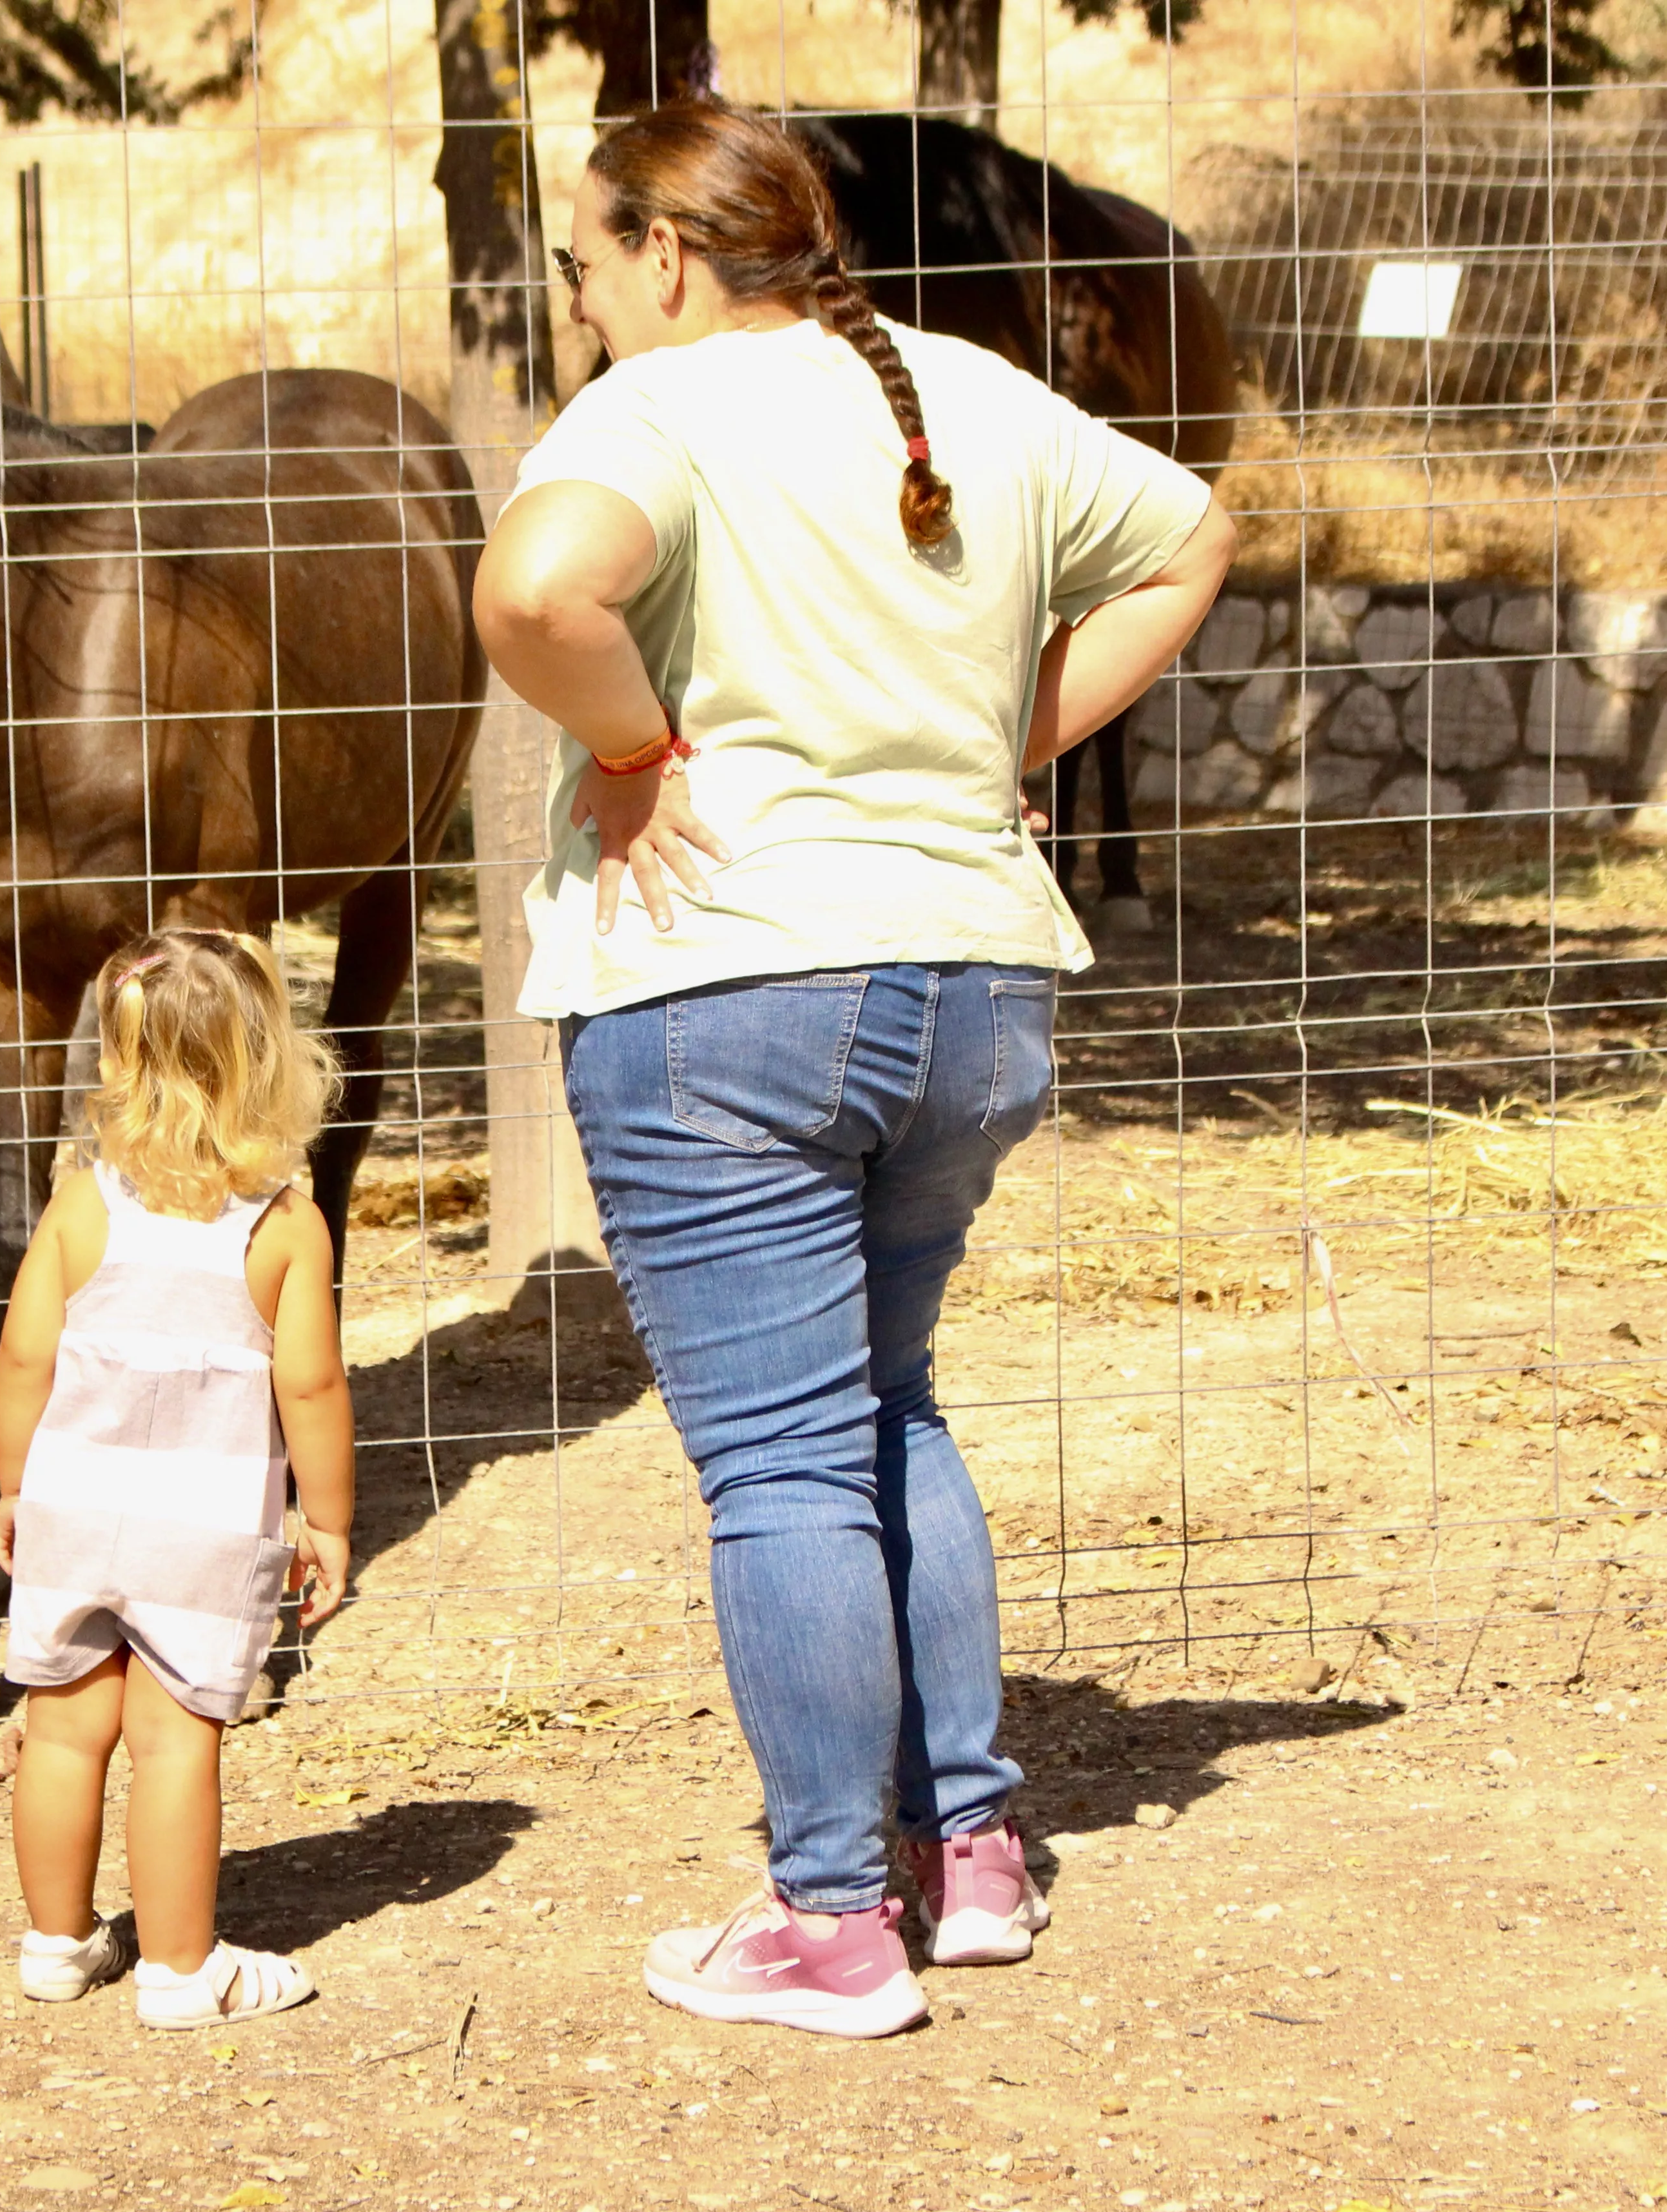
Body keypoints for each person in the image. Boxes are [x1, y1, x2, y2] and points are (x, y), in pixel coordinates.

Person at [474, 101, 1235, 2039]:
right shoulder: (974, 394)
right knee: (890, 1403)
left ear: (663, 255)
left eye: (584, 263)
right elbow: (1194, 532)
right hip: (978, 986)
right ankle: (965, 1852)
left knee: (785, 1462)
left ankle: (829, 1918)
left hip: (729, 997)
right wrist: (1010, 738)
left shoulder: (654, 411)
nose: (580, 299)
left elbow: (534, 588)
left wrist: (635, 750)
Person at [0, 928, 358, 2029]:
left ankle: (57, 1945)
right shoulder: (286, 1223)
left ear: (119, 1060)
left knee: (60, 1728)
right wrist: (327, 1522)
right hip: (199, 1528)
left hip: (73, 1505)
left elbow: (21, 1358)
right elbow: (315, 1388)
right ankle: (183, 1971)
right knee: (175, 1737)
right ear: (266, 1062)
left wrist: (16, 1488)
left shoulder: (83, 1200)